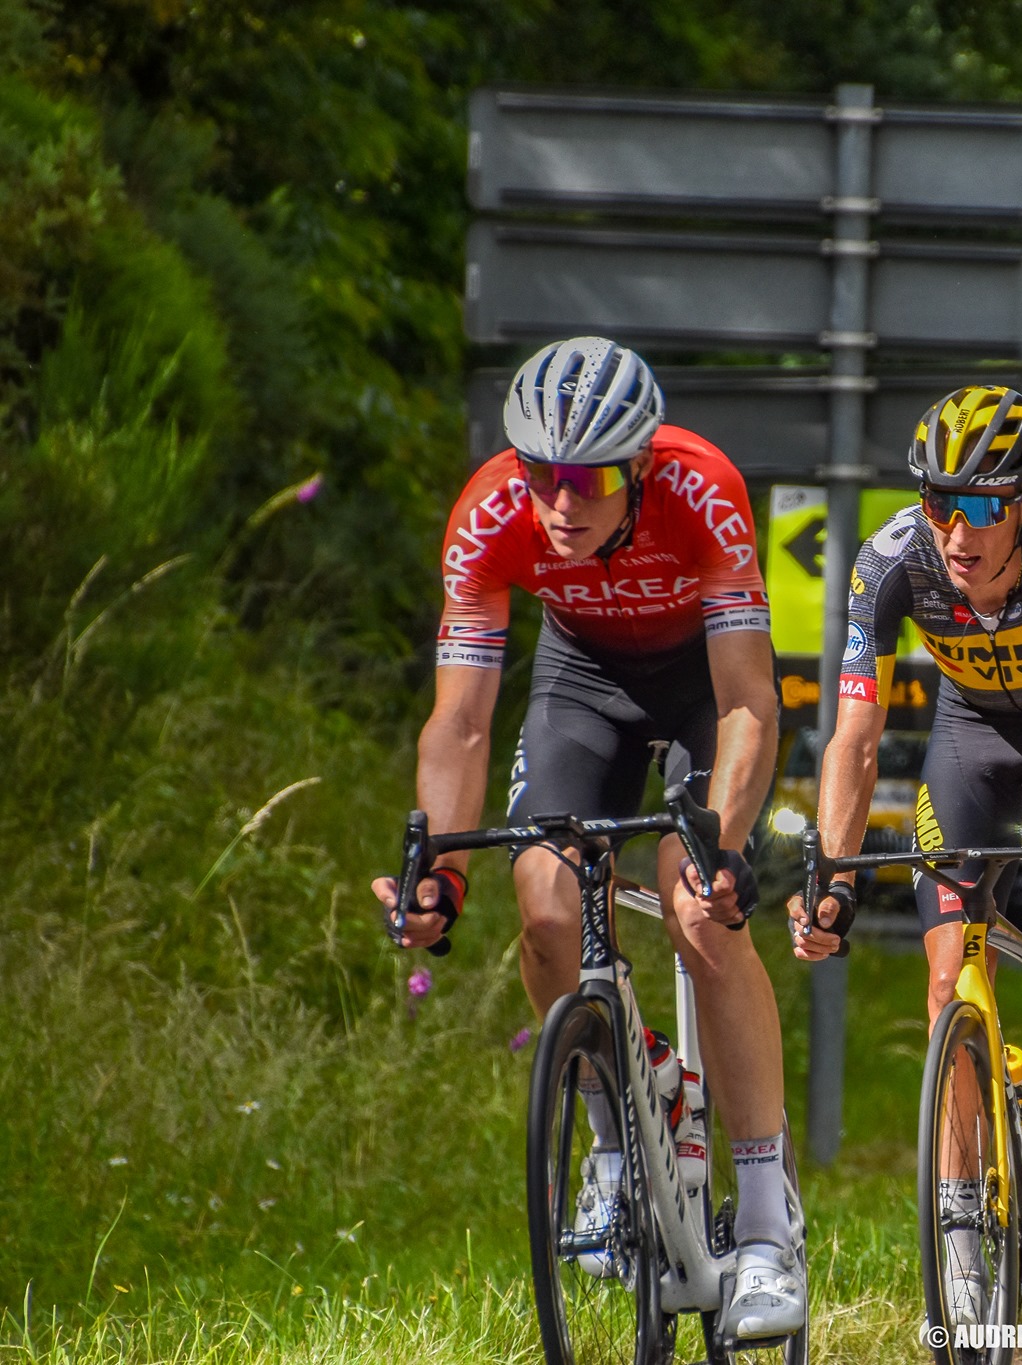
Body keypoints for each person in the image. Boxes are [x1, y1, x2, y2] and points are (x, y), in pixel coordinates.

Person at [369, 338, 802, 1338]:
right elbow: (462, 722)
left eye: (592, 479)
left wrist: (723, 843)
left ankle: (770, 1224)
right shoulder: (488, 513)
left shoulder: (702, 492)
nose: (562, 503)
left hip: (702, 685)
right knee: (544, 905)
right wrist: (432, 867)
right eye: (542, 475)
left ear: (640, 468)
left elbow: (747, 705)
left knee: (694, 905)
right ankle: (615, 1143)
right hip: (582, 683)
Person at [785, 386, 1022, 1319]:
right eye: (940, 501)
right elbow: (856, 740)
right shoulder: (890, 561)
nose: (957, 527)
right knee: (949, 978)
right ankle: (960, 1216)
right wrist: (827, 879)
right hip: (971, 737)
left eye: (983, 505)